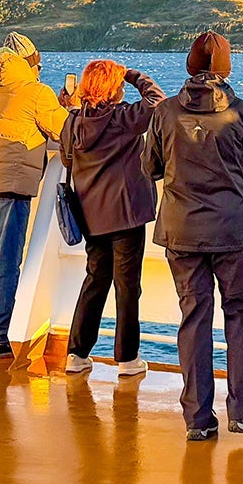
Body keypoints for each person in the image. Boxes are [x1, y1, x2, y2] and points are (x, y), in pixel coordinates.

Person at [146, 32, 243, 441]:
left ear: (190, 66)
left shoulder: (166, 112)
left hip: (181, 231)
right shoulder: (239, 112)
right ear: (226, 69)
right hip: (230, 231)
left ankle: (198, 420)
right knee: (239, 315)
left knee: (194, 318)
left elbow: (149, 166)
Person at [0, 31, 70, 359]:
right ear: (31, 62)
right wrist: (68, 107)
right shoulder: (36, 91)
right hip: (11, 185)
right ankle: (0, 339)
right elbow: (64, 130)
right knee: (6, 264)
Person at [59, 58, 166, 378]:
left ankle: (76, 353)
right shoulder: (123, 118)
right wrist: (133, 74)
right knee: (127, 286)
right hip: (126, 213)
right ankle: (127, 358)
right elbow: (157, 101)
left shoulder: (74, 122)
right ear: (115, 87)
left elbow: (66, 156)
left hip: (90, 214)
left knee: (95, 279)